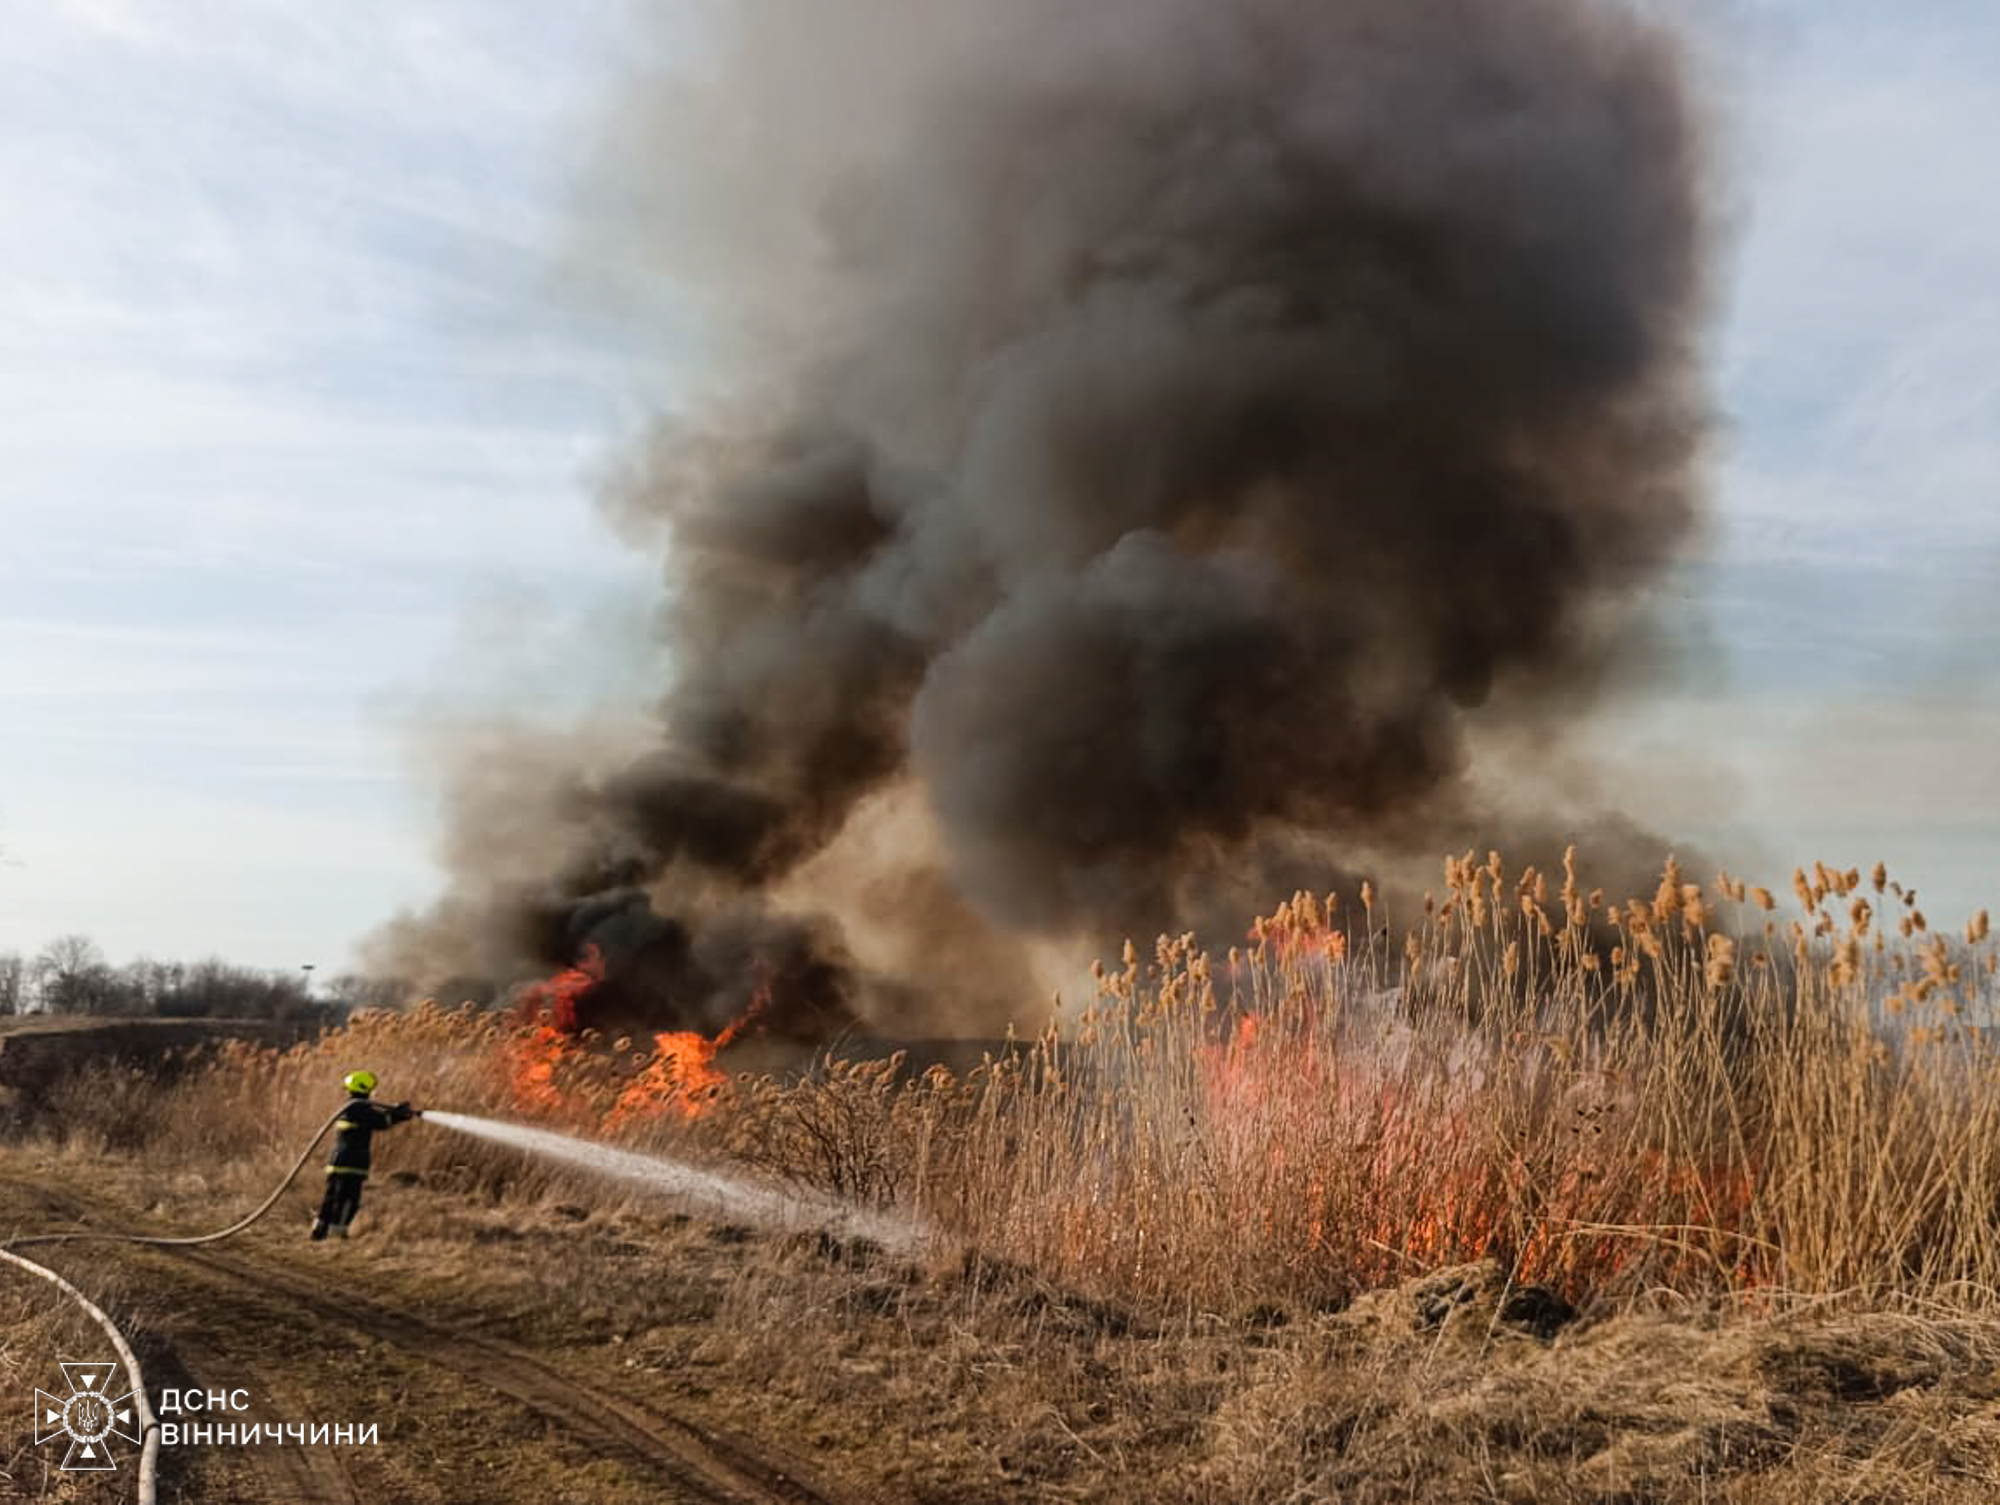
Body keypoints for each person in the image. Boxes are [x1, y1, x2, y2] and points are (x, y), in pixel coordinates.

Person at [310, 1070, 422, 1241]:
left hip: (339, 1160)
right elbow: (381, 1122)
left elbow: (377, 1118)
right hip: (352, 1161)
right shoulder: (358, 1108)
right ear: (365, 1088)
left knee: (332, 1197)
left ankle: (319, 1231)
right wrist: (399, 1115)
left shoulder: (352, 1107)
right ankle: (337, 1234)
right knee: (349, 1200)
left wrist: (397, 1113)